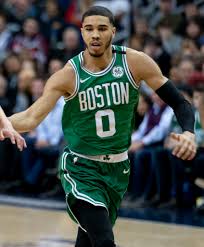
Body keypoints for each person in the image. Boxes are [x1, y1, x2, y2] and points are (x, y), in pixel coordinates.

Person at [5, 6, 197, 247]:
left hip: (118, 170)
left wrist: (189, 132)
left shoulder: (134, 62)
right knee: (104, 241)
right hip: (80, 168)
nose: (95, 34)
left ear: (113, 32)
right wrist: (4, 123)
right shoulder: (68, 75)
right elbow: (31, 117)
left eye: (102, 28)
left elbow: (180, 102)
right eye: (89, 29)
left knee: (87, 242)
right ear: (82, 32)